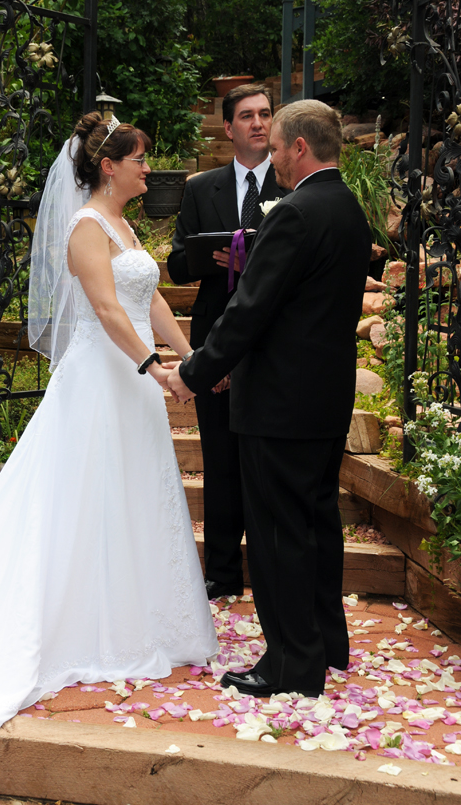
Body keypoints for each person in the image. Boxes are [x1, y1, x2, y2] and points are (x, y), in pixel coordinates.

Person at [0, 113, 218, 804]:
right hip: (101, 383)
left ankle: (142, 615)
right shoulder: (85, 227)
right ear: (109, 165)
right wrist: (154, 367)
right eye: (141, 158)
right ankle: (78, 620)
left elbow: (151, 306)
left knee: (133, 498)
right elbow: (111, 313)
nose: (151, 168)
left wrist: (190, 358)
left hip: (133, 382)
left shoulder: (126, 227)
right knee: (81, 500)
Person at [167, 100, 372, 697]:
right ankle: (328, 644)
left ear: (300, 148)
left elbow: (249, 311)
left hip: (279, 406)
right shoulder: (349, 209)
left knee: (280, 535)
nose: (273, 156)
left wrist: (196, 373)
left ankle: (290, 664)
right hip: (323, 401)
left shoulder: (296, 214)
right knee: (317, 524)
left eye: (279, 146)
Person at [168, 83, 285, 600]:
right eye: (248, 116)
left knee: (265, 458)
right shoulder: (202, 188)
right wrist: (209, 257)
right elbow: (175, 263)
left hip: (275, 342)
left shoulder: (293, 183)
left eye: (265, 114)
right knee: (218, 456)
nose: (259, 123)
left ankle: (270, 566)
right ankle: (220, 570)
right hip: (216, 337)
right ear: (229, 127)